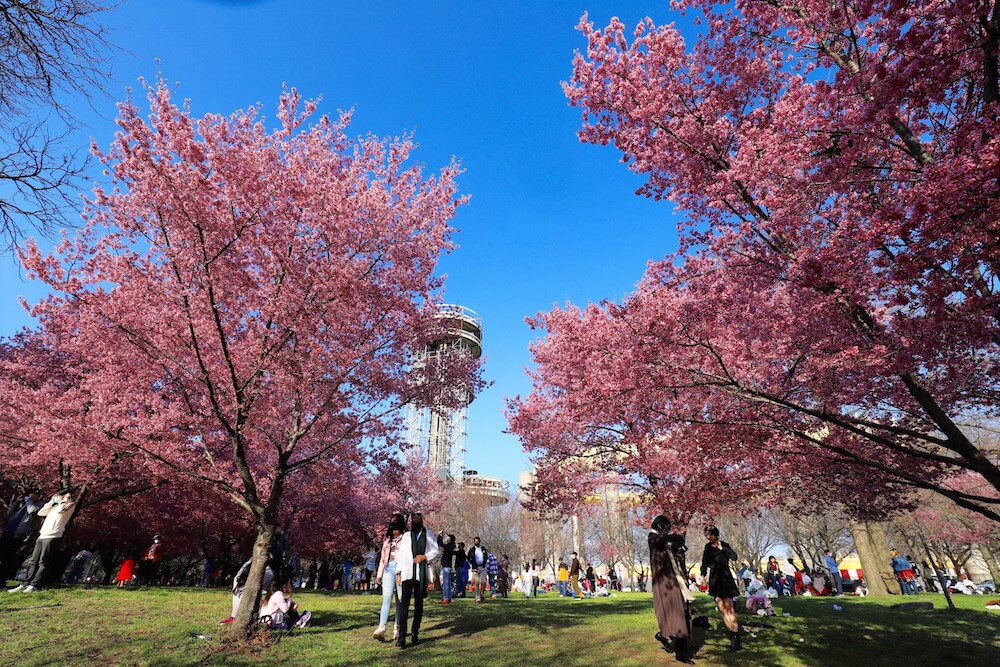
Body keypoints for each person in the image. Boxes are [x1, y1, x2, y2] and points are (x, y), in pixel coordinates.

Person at [9, 489, 75, 593]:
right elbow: (41, 512)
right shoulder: (54, 505)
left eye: (57, 495)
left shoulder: (70, 505)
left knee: (43, 561)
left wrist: (65, 499)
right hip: (42, 535)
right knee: (33, 561)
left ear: (63, 496)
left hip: (53, 536)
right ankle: (26, 583)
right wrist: (51, 502)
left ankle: (35, 584)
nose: (54, 497)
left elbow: (62, 510)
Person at [648, 515, 694, 663]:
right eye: (666, 527)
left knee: (681, 613)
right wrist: (674, 536)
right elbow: (660, 541)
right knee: (677, 615)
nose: (668, 530)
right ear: (660, 526)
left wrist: (678, 543)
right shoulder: (653, 538)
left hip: (674, 581)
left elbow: (673, 550)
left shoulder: (663, 541)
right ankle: (681, 654)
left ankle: (664, 636)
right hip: (666, 583)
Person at [395, 512, 439, 648]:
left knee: (418, 606)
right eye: (413, 520)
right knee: (403, 606)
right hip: (407, 573)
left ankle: (415, 633)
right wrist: (398, 573)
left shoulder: (429, 534)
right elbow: (401, 556)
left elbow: (435, 550)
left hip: (420, 574)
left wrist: (424, 557)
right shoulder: (407, 536)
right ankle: (402, 637)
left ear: (422, 521)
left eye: (418, 520)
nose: (415, 522)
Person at [700, 526, 742, 651]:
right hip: (714, 577)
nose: (708, 537)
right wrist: (703, 576)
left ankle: (735, 637)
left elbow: (734, 557)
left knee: (729, 608)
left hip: (725, 576)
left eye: (709, 534)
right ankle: (732, 633)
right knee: (722, 608)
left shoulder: (724, 544)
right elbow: (704, 562)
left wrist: (722, 548)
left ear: (715, 534)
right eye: (706, 534)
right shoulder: (707, 547)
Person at [373, 513, 406, 642]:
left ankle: (397, 628)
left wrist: (402, 572)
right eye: (392, 525)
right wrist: (379, 574)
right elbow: (382, 558)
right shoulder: (387, 540)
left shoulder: (405, 539)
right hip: (388, 569)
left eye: (396, 526)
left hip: (400, 570)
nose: (394, 530)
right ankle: (381, 627)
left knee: (400, 600)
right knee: (386, 598)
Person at [0, 487, 42, 582]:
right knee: (2, 555)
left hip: (19, 535)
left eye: (34, 494)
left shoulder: (39, 504)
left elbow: (32, 510)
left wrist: (28, 501)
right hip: (9, 531)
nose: (31, 496)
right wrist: (17, 503)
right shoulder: (23, 504)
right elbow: (10, 514)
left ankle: (2, 581)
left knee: (8, 558)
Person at [467, 537, 488, 603]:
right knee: (476, 583)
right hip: (475, 568)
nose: (476, 542)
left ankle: (482, 594)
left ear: (479, 541)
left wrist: (484, 562)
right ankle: (477, 597)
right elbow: (469, 557)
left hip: (482, 567)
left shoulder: (483, 548)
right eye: (475, 541)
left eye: (477, 541)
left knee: (484, 582)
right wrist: (472, 562)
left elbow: (486, 556)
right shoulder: (472, 549)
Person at [437, 533, 456, 604]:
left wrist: (439, 536)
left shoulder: (449, 546)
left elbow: (440, 543)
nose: (447, 539)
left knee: (446, 583)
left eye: (448, 538)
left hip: (446, 566)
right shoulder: (451, 546)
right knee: (447, 583)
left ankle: (446, 598)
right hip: (448, 566)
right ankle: (448, 597)